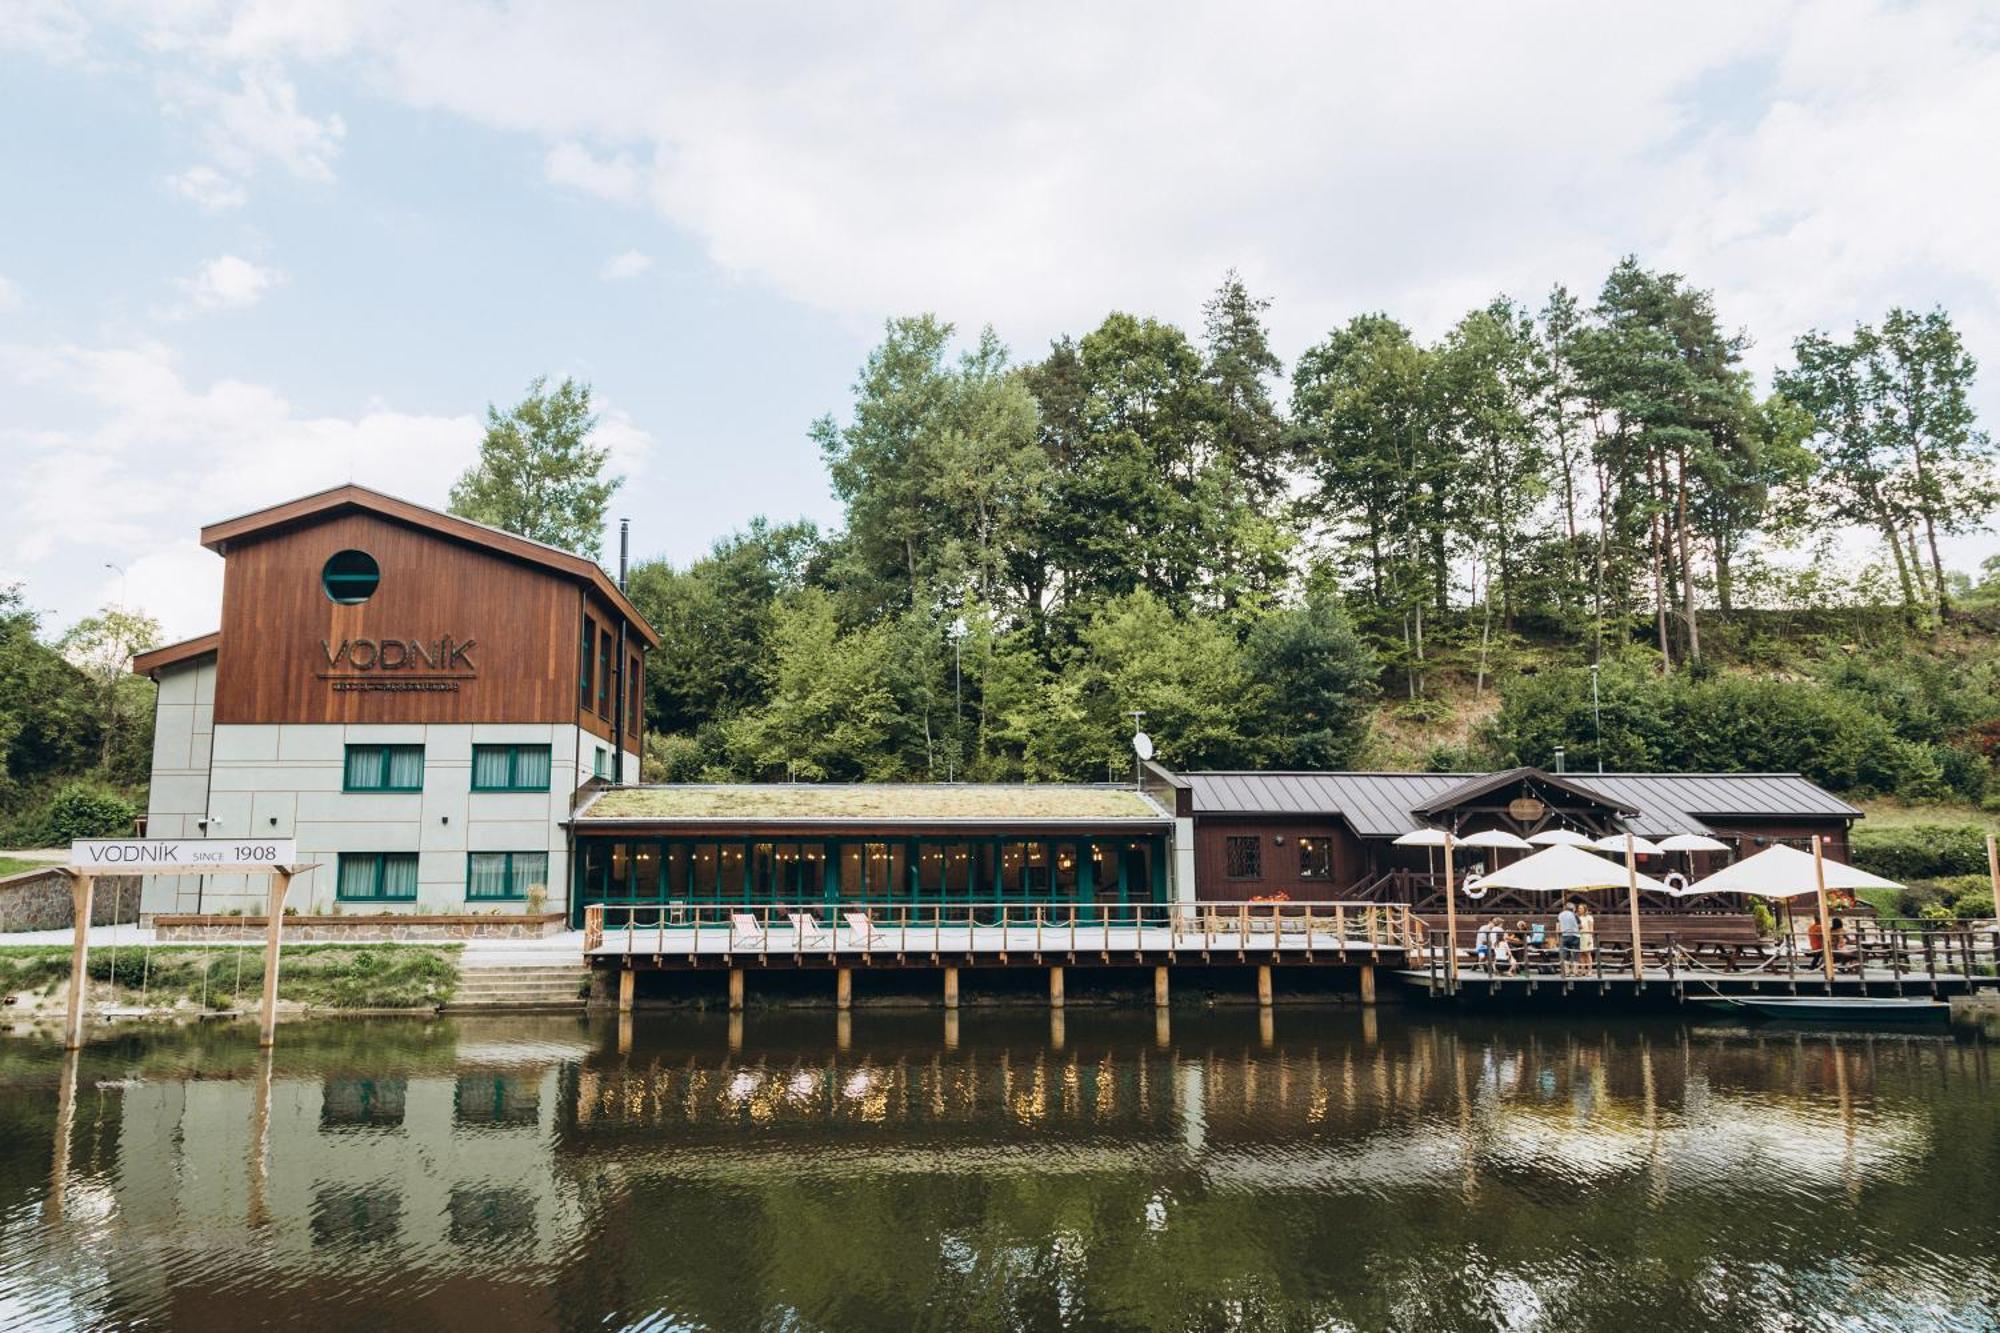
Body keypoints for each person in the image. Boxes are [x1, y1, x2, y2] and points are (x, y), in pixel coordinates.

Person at [1557, 898, 1582, 978]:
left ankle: (1567, 972)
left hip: (1564, 935)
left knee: (1565, 954)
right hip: (1574, 935)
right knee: (1575, 954)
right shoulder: (1574, 915)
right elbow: (1580, 926)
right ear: (1573, 909)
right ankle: (1575, 972)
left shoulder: (1560, 915)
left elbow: (1559, 926)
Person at [1577, 902, 1597, 973]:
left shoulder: (1589, 917)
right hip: (1580, 936)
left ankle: (1589, 970)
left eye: (1581, 908)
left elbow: (1591, 928)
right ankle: (1582, 970)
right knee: (1581, 954)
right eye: (1579, 908)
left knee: (1587, 953)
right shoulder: (1578, 917)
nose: (1579, 909)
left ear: (1585, 909)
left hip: (1587, 936)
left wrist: (1589, 938)